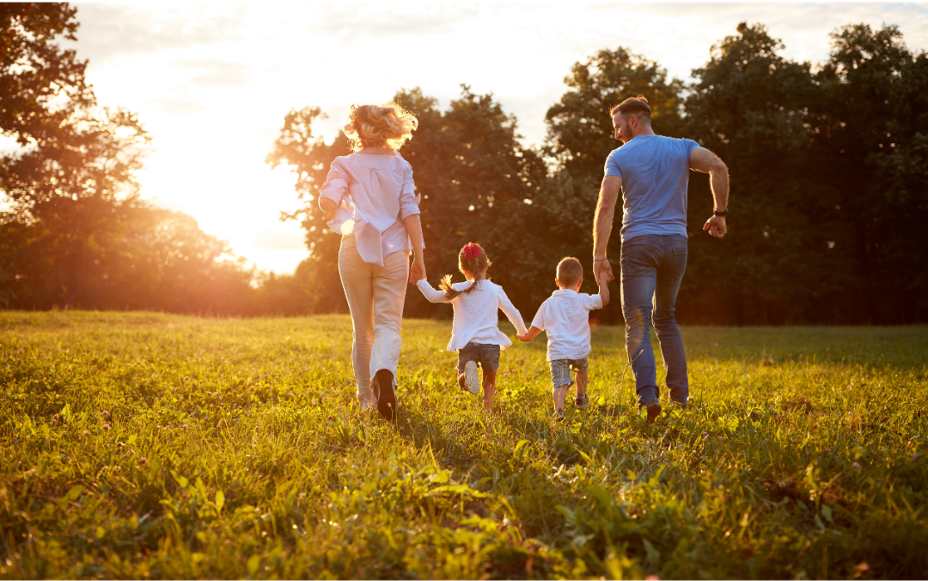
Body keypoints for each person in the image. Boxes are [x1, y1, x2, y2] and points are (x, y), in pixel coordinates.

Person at [592, 95, 729, 423]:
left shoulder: (618, 156)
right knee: (666, 318)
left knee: (637, 320)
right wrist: (720, 213)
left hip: (639, 244)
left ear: (634, 121)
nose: (616, 134)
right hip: (676, 245)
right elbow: (719, 167)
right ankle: (679, 397)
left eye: (618, 126)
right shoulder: (683, 147)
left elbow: (606, 206)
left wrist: (599, 256)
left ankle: (648, 397)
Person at [318, 103, 426, 421]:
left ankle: (366, 398)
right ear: (388, 129)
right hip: (394, 252)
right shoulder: (401, 166)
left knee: (362, 330)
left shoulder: (344, 163)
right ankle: (385, 372)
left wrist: (328, 202)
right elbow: (411, 213)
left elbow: (327, 200)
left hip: (355, 250)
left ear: (355, 129)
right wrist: (419, 257)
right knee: (388, 324)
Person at [416, 242, 527, 412]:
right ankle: (488, 409)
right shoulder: (495, 289)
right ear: (486, 264)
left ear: (462, 268)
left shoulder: (459, 289)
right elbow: (513, 312)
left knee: (464, 383)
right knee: (489, 380)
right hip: (490, 343)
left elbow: (433, 296)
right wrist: (522, 332)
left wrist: (420, 281)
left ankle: (465, 379)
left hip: (468, 344)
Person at [518, 257, 609, 421]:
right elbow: (604, 299)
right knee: (581, 370)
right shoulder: (583, 299)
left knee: (559, 384)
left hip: (558, 352)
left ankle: (559, 411)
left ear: (557, 281)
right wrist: (602, 280)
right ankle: (580, 397)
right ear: (580, 282)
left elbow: (536, 327)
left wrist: (525, 337)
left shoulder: (548, 303)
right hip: (579, 350)